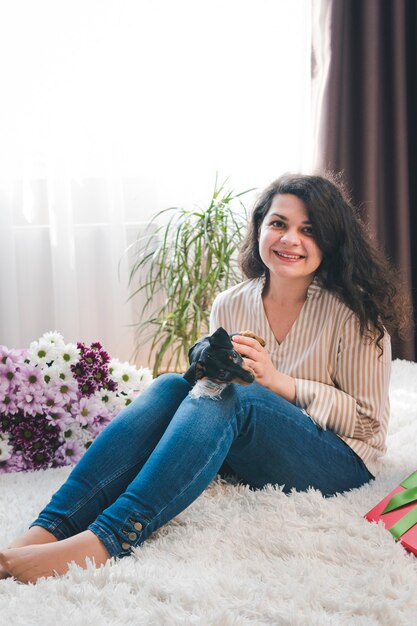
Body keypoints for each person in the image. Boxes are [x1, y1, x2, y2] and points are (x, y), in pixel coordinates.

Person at [0, 173, 410, 584]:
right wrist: (201, 365)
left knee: (239, 395)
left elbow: (369, 424)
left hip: (341, 461)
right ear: (260, 228)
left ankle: (106, 539)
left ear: (331, 242)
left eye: (309, 230)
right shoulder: (231, 303)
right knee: (168, 386)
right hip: (251, 451)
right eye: (279, 224)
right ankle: (45, 530)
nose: (290, 240)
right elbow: (203, 397)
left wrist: (277, 381)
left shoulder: (356, 317)